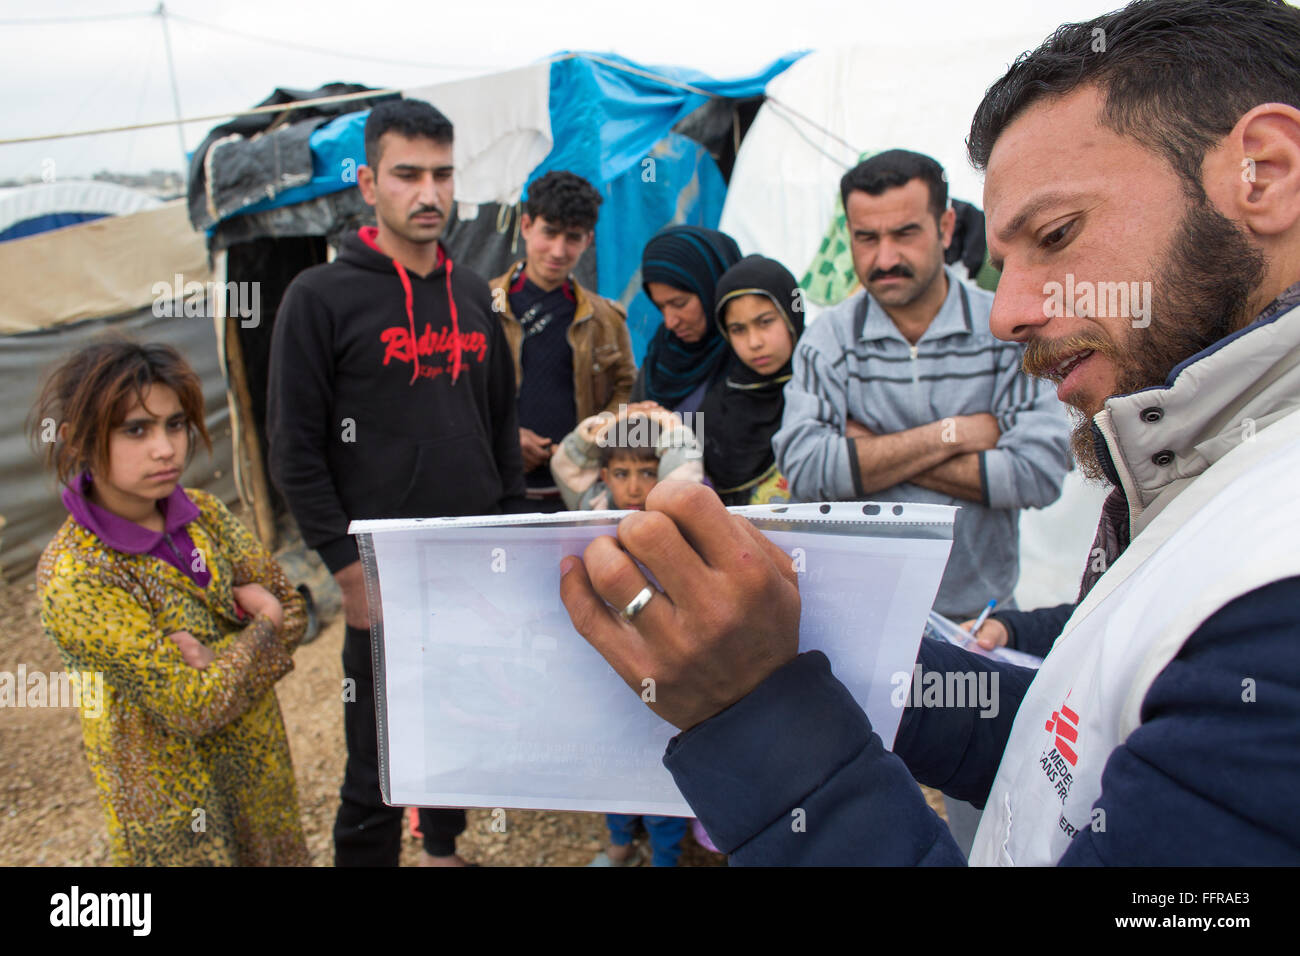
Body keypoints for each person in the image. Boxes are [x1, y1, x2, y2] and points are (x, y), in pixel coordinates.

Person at [558, 0, 1300, 866]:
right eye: (1010, 258)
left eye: (1057, 236)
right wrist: (833, 654)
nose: (1015, 313)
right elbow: (814, 465)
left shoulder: (1274, 587)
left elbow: (1029, 473)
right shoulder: (1219, 469)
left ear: (1265, 173)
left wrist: (757, 711)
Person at [771, 148, 1072, 848]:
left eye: (904, 233)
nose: (884, 258)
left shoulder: (1008, 331)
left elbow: (1038, 474)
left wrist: (870, 450)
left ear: (946, 225)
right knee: (858, 816)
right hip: (854, 625)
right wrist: (960, 435)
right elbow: (807, 468)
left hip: (979, 626)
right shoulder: (828, 341)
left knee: (988, 814)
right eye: (865, 238)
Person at [267, 98, 527, 867]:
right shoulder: (320, 300)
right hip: (383, 574)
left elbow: (499, 430)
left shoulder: (475, 294)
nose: (430, 193)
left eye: (443, 175)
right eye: (408, 174)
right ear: (367, 182)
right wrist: (347, 573)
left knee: (456, 728)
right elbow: (295, 451)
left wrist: (510, 542)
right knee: (377, 760)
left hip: (469, 561)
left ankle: (443, 848)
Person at [33, 341, 309, 866]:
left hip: (258, 769)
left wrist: (228, 652)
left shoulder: (202, 513)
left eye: (175, 424)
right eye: (136, 429)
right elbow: (191, 704)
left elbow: (291, 606)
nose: (166, 448)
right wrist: (261, 626)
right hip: (171, 806)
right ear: (76, 440)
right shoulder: (77, 573)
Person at [549, 403, 703, 865]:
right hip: (609, 665)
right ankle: (619, 843)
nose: (634, 486)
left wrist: (672, 430)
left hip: (664, 663)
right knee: (611, 760)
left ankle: (665, 856)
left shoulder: (671, 517)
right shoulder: (595, 506)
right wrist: (601, 427)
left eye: (647, 471)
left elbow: (684, 479)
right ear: (604, 475)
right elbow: (565, 463)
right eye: (620, 472)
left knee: (661, 767)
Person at [488, 170, 636, 511]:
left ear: (588, 240)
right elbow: (458, 394)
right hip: (498, 491)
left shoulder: (607, 319)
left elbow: (626, 389)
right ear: (526, 226)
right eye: (549, 233)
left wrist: (587, 441)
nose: (558, 250)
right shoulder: (481, 307)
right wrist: (507, 436)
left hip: (579, 497)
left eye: (572, 237)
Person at [700, 255, 804, 505]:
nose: (754, 342)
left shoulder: (828, 384)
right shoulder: (717, 410)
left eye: (765, 322)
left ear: (793, 313)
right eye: (738, 330)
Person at [631, 225, 743, 414]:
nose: (670, 322)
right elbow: (634, 434)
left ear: (712, 287)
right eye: (660, 307)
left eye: (679, 303)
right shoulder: (664, 352)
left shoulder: (752, 353)